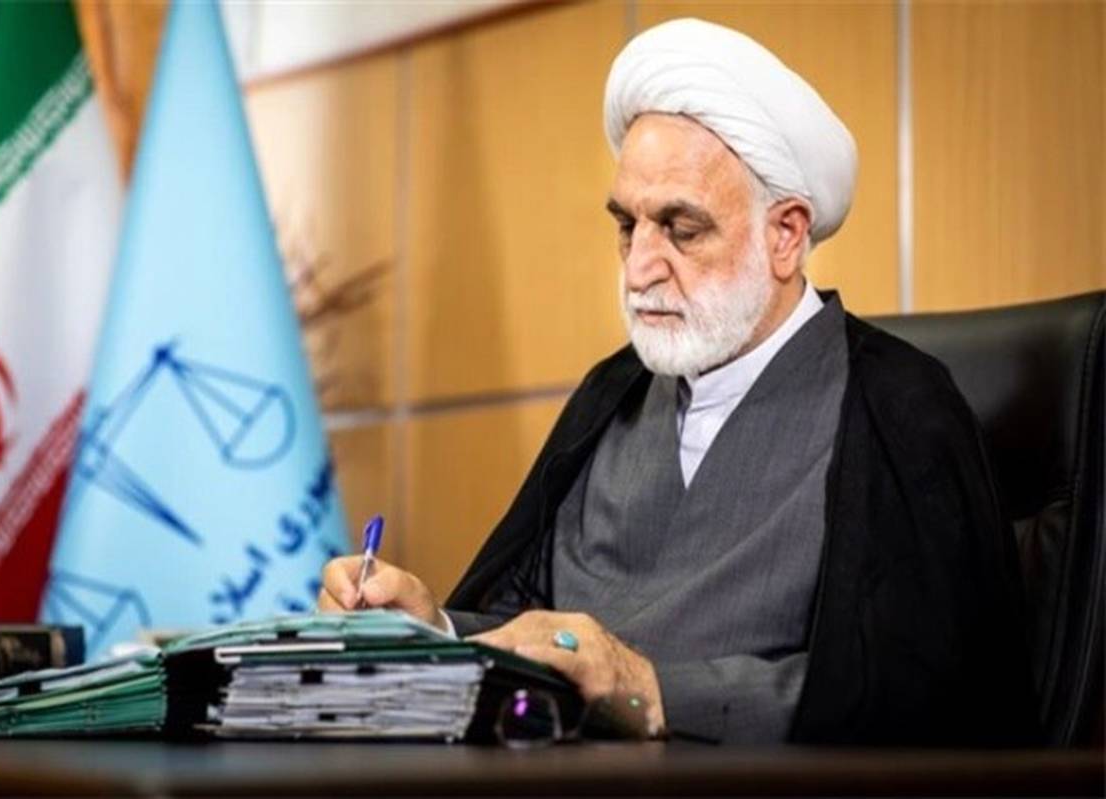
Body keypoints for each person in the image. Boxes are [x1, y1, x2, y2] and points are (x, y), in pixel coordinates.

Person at [319, 19, 1039, 745]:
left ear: (786, 235)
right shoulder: (612, 396)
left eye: (681, 229)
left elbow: (924, 700)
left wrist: (654, 692)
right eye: (627, 226)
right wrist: (435, 630)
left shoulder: (900, 408)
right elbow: (536, 634)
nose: (639, 269)